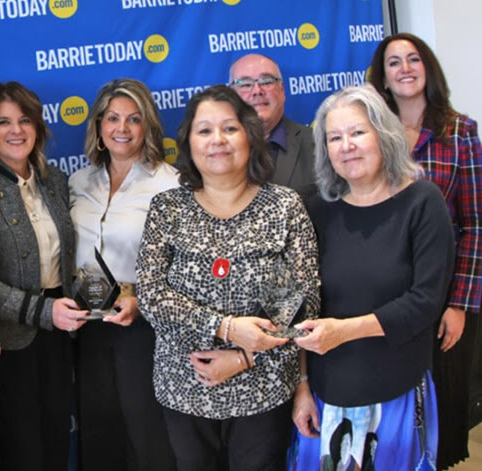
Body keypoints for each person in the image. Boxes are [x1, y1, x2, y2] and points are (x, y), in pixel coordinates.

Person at [136, 85, 319, 470]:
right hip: (184, 389)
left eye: (229, 129)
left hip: (263, 390)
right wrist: (227, 327)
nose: (217, 140)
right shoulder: (168, 208)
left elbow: (301, 307)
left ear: (250, 136)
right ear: (188, 142)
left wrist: (245, 357)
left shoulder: (281, 208)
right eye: (204, 130)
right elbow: (152, 296)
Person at [290, 85, 455, 471]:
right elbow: (300, 305)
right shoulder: (314, 209)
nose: (347, 145)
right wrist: (301, 387)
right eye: (335, 137)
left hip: (394, 394)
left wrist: (344, 331)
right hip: (325, 396)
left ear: (384, 135)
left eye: (358, 133)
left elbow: (425, 301)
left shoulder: (423, 202)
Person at [0, 81, 82, 471]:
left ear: (39, 127)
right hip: (7, 343)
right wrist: (44, 312)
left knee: (57, 442)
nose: (15, 131)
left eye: (25, 120)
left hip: (61, 337)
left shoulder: (54, 180)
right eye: (3, 122)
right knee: (21, 452)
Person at [368, 33, 482, 470]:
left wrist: (460, 304)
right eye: (394, 62)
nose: (405, 69)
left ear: (428, 67)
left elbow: (475, 223)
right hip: (387, 291)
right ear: (384, 77)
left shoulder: (460, 131)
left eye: (413, 59)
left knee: (445, 400)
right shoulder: (372, 133)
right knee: (397, 403)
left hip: (444, 294)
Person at [69, 78, 177, 471]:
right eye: (112, 118)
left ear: (147, 126)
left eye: (133, 119)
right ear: (98, 126)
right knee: (100, 434)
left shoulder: (170, 184)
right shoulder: (79, 182)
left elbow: (181, 268)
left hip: (144, 330)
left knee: (147, 438)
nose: (122, 128)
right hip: (89, 329)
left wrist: (141, 302)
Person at [229, 54, 316, 198]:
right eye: (245, 84)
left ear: (282, 90)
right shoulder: (215, 152)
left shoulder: (317, 144)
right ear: (231, 95)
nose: (257, 91)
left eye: (267, 81)